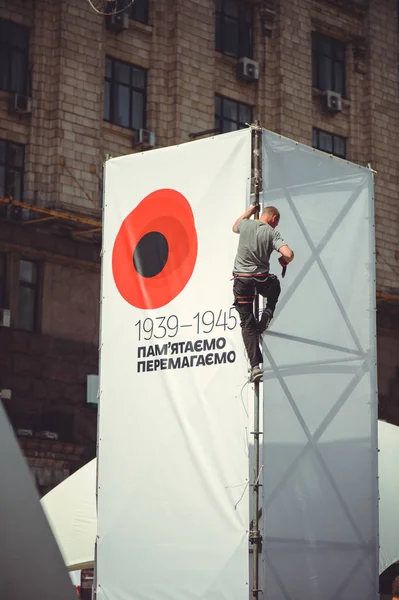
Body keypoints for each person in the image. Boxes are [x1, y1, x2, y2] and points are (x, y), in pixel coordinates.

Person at [232, 204, 294, 383]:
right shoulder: (271, 232)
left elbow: (234, 226)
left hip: (241, 280)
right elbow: (288, 254)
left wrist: (250, 211)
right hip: (260, 280)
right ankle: (267, 313)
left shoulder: (245, 225)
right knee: (275, 287)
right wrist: (284, 260)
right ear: (274, 219)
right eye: (276, 223)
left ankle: (255, 367)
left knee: (247, 322)